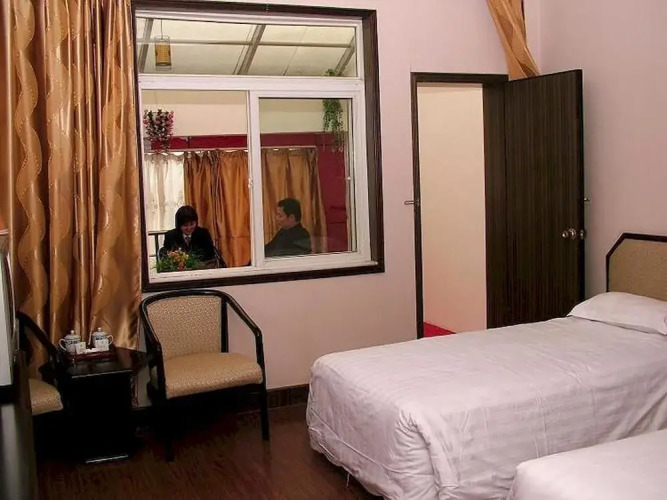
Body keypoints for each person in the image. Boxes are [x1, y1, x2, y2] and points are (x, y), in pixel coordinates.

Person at [159, 205, 223, 266]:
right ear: (179, 225)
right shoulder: (170, 236)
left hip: (202, 268)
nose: (189, 228)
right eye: (185, 225)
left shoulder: (203, 233)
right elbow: (167, 256)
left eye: (192, 224)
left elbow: (209, 253)